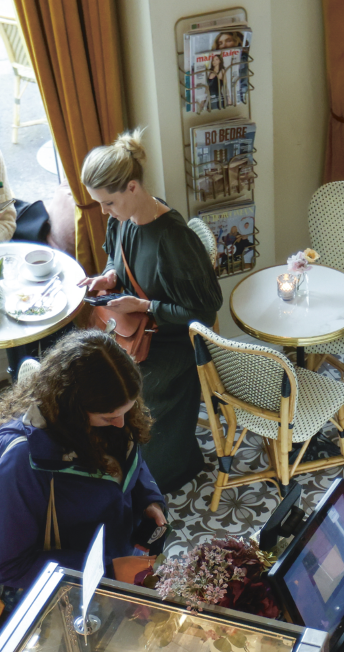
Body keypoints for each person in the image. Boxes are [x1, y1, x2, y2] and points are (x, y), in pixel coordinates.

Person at [76, 131, 222, 493]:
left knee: (127, 389)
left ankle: (161, 472)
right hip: (138, 330)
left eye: (108, 202)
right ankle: (117, 458)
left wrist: (143, 305)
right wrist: (109, 276)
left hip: (175, 342)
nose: (104, 212)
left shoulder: (174, 239)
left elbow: (203, 310)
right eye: (99, 204)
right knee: (90, 371)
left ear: (132, 187)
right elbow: (116, 257)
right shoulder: (120, 219)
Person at [0, 330, 166, 593]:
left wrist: (149, 498)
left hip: (123, 564)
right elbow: (9, 566)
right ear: (72, 405)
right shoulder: (21, 464)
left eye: (126, 411)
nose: (121, 424)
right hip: (78, 587)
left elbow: (131, 463)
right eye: (109, 417)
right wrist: (108, 570)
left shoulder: (110, 414)